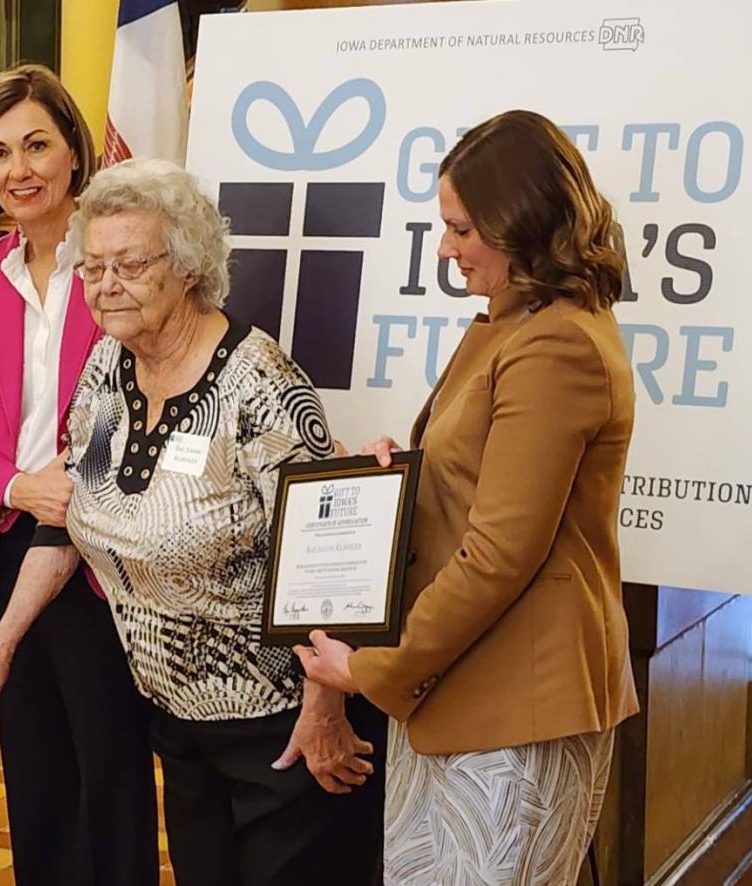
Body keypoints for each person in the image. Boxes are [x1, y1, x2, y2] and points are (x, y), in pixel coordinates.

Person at [0, 158, 387, 886]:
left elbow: (330, 561)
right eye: (91, 268)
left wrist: (324, 709)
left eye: (129, 264)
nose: (105, 285)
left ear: (188, 267)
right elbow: (70, 517)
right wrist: (2, 645)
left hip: (282, 728)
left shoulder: (262, 385)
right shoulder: (105, 374)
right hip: (179, 724)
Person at [297, 109, 639, 886]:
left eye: (458, 228)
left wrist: (378, 666)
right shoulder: (515, 323)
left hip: (514, 705)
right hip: (461, 694)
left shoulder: (555, 345)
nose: (444, 247)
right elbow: (478, 477)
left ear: (519, 224)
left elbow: (500, 554)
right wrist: (399, 470)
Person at [0, 65, 159, 886]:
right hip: (10, 540)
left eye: (36, 145)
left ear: (75, 154)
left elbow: (150, 391)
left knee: (111, 774)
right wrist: (16, 488)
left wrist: (72, 482)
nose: (18, 169)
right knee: (36, 776)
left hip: (104, 557)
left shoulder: (121, 266)